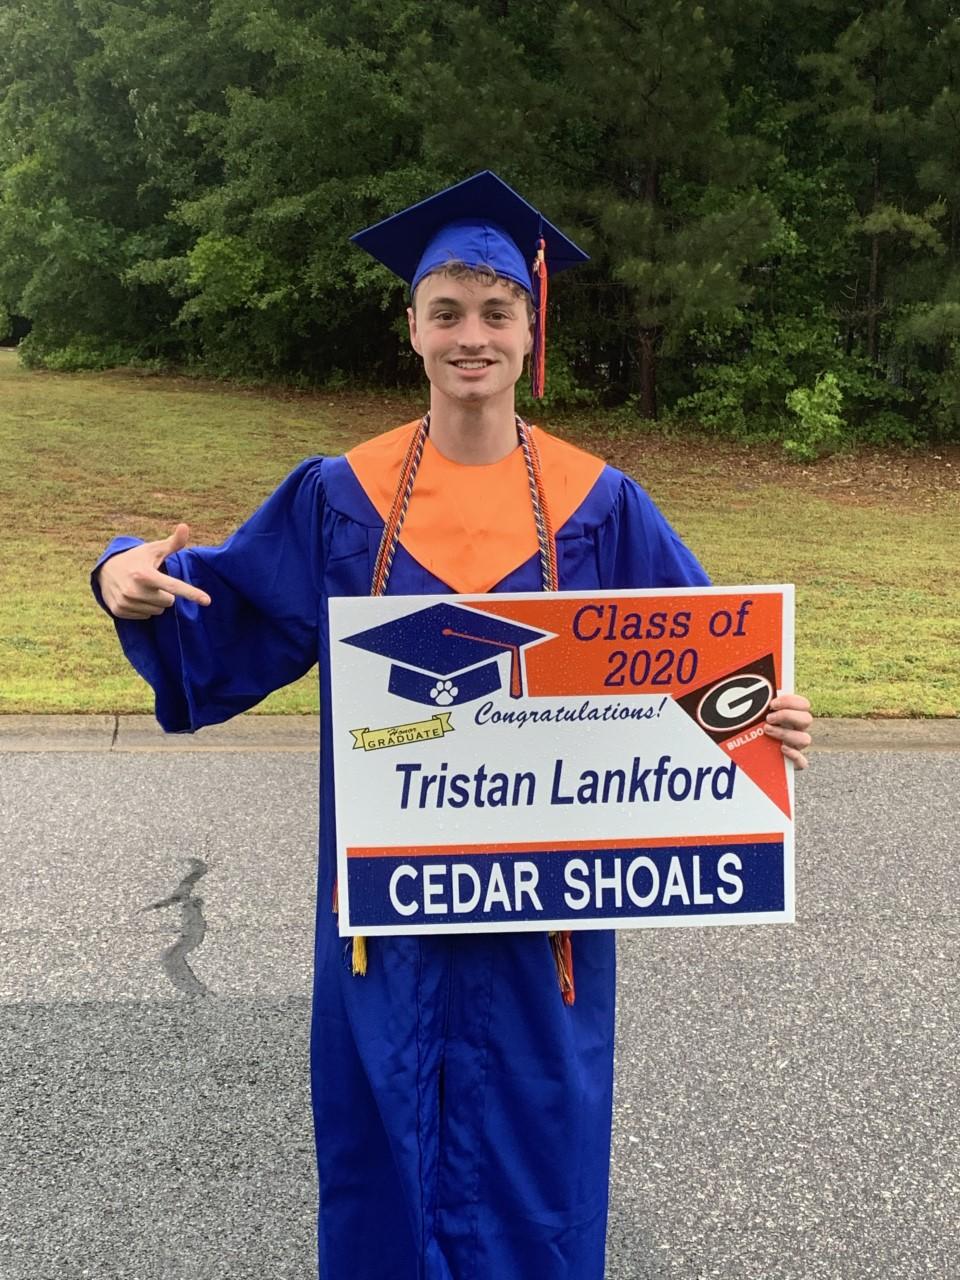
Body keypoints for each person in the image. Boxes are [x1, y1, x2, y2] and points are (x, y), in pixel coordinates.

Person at [92, 171, 813, 1280]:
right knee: (384, 1172)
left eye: (495, 311)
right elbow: (215, 609)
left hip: (545, 933)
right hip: (390, 922)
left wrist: (767, 718)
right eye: (447, 312)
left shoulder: (599, 504)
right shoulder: (342, 496)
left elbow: (702, 667)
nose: (470, 335)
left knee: (538, 1172)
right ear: (413, 329)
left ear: (532, 328)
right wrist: (118, 574)